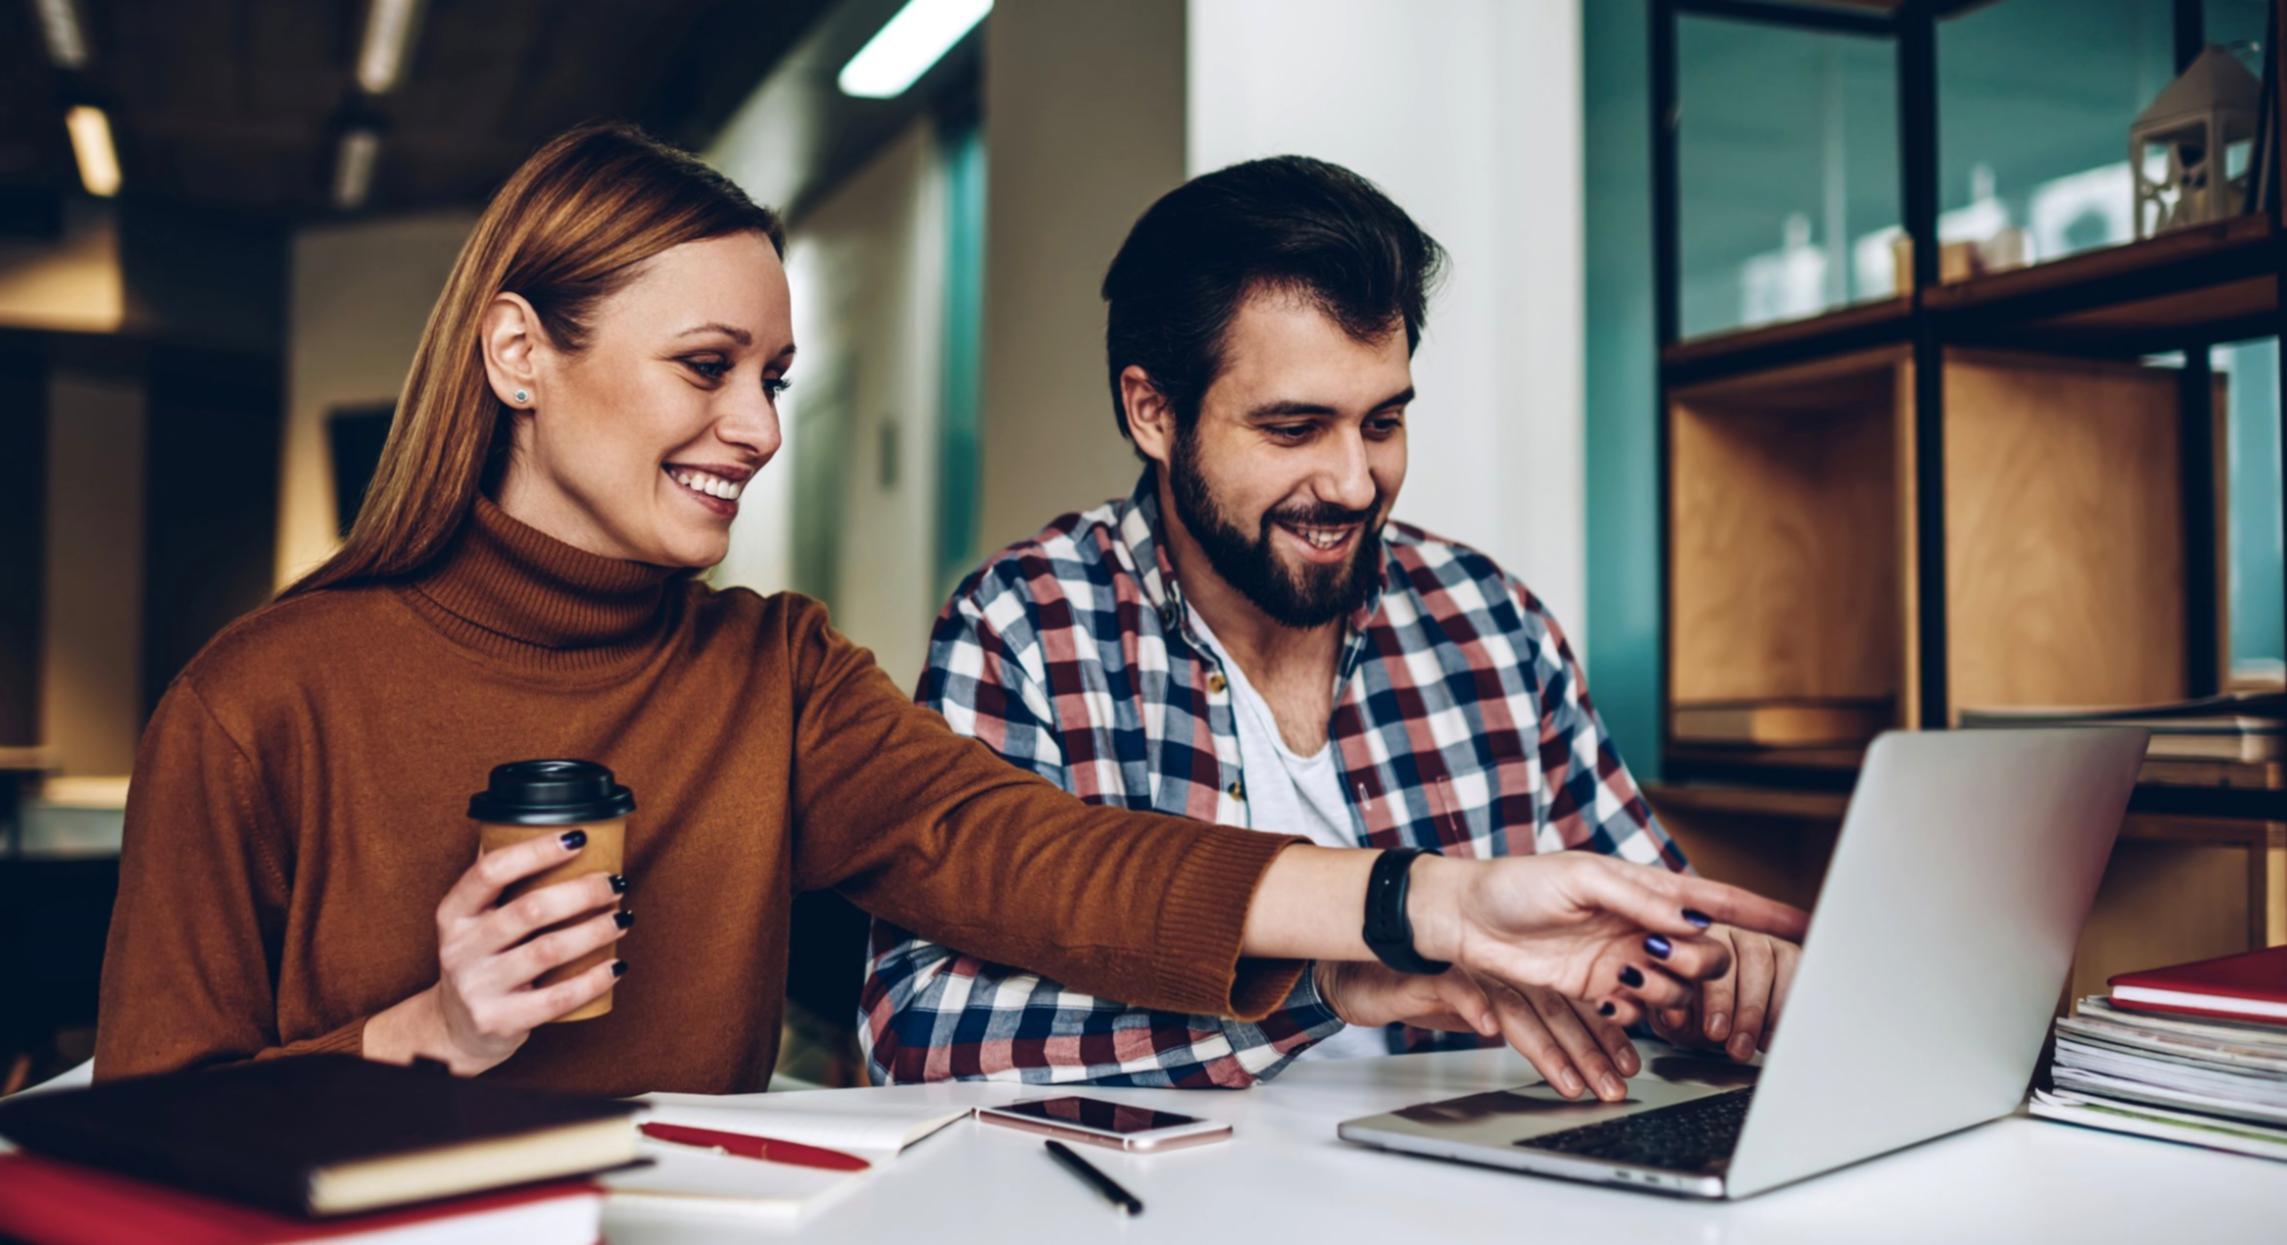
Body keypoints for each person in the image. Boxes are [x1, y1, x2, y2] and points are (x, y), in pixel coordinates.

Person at [92, 125, 1803, 1097]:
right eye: (708, 369)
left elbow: (1047, 859)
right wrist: (424, 1032)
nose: (758, 430)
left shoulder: (772, 673)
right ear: (519, 354)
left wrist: (1424, 902)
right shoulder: (262, 701)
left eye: (772, 374)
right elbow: (142, 1138)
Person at [862, 156, 1801, 1098]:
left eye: (1381, 422)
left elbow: (1644, 941)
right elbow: (922, 1030)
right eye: (1293, 428)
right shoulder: (1027, 630)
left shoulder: (1490, 621)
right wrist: (1318, 990)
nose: (1354, 483)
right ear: (1152, 410)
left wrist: (1714, 979)